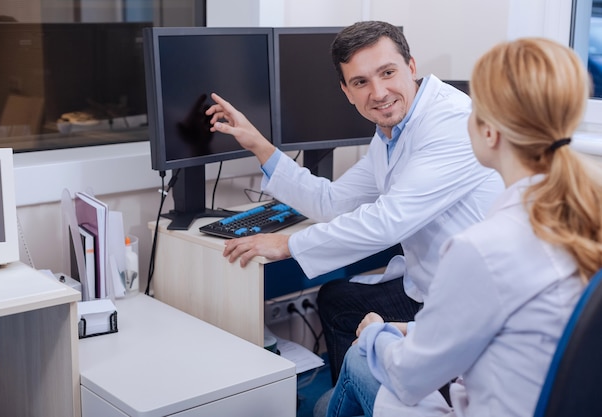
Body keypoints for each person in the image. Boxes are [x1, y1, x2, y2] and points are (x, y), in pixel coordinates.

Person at [205, 20, 503, 382]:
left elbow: (388, 221)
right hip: (432, 285)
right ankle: (359, 389)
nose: (378, 93)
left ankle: (363, 393)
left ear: (411, 67)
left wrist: (288, 243)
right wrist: (259, 145)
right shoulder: (392, 130)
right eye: (361, 82)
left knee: (341, 307)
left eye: (387, 72)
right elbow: (333, 202)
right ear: (346, 91)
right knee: (337, 299)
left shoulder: (451, 123)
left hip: (470, 306)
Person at [321, 37, 602, 417]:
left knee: (349, 371)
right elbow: (515, 327)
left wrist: (375, 334)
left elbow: (408, 377)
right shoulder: (578, 213)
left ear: (489, 131)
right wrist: (409, 331)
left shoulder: (482, 248)